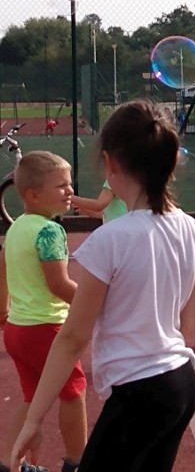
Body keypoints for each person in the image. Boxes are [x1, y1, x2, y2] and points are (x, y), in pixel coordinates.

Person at [12, 100, 195, 472]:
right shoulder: (190, 227)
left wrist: (33, 420)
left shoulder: (109, 239)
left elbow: (72, 337)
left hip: (139, 393)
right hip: (181, 383)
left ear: (110, 162)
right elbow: (192, 321)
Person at [2, 152, 85, 472]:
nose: (69, 191)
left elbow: (2, 268)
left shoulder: (18, 227)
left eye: (69, 184)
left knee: (32, 398)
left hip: (18, 329)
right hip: (46, 329)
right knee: (73, 392)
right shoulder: (51, 232)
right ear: (33, 195)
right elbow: (59, 285)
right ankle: (78, 462)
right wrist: (100, 302)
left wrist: (2, 312)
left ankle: (9, 462)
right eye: (61, 186)